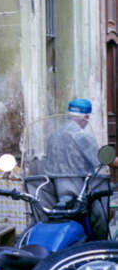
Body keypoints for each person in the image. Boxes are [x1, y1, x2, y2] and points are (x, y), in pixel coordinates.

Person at [45, 98, 109, 239]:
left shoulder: (52, 136)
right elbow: (100, 159)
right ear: (86, 117)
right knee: (100, 215)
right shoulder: (82, 136)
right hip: (80, 193)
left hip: (56, 193)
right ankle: (98, 245)